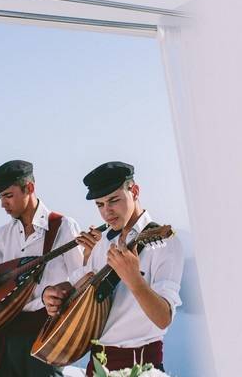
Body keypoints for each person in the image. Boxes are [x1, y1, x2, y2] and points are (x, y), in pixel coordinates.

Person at [42, 161, 184, 376]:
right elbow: (81, 286)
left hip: (139, 366)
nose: (106, 212)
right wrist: (53, 295)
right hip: (96, 363)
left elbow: (164, 318)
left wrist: (134, 280)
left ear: (134, 191)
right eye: (100, 204)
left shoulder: (165, 243)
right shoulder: (101, 243)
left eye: (113, 200)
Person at [0, 160, 84, 377]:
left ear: (29, 188)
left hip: (45, 335)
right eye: (0, 197)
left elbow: (82, 278)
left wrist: (59, 296)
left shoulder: (63, 227)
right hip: (7, 332)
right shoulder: (3, 235)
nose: (3, 204)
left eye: (8, 196)